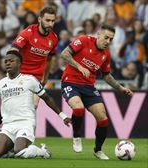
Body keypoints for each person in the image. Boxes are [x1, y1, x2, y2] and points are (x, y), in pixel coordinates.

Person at [0, 6, 58, 152]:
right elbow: (14, 49)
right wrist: (12, 68)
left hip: (35, 78)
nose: (50, 23)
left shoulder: (54, 38)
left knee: (30, 107)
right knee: (10, 107)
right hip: (20, 74)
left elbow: (49, 60)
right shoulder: (28, 32)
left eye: (53, 21)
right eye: (47, 20)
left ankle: (16, 144)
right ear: (40, 19)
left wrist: (46, 77)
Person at [60, 24, 133, 160]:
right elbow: (64, 54)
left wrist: (121, 88)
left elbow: (106, 75)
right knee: (78, 109)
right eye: (106, 37)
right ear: (98, 34)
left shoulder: (106, 54)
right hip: (70, 82)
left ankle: (98, 150)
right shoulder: (83, 40)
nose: (108, 42)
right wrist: (79, 66)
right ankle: (76, 136)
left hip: (88, 87)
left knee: (103, 119)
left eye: (111, 39)